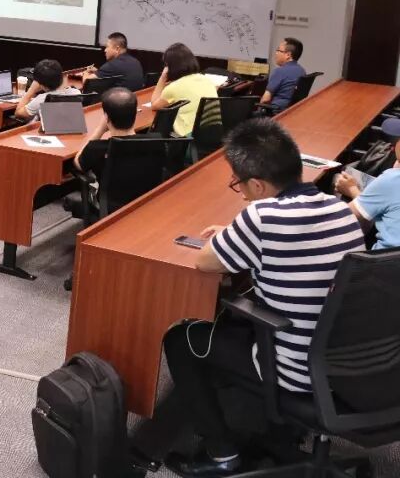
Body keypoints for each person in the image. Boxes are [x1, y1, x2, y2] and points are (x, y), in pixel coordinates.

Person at [159, 119, 362, 476]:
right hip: (350, 365)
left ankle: (221, 454)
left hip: (297, 372)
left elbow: (205, 261)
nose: (241, 193)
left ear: (257, 184)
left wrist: (238, 232)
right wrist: (238, 234)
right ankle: (280, 429)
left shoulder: (262, 215)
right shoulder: (340, 209)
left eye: (238, 184)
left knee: (182, 338)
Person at [335, 116, 400, 250]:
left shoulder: (392, 179)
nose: (392, 147)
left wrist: (352, 189)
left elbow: (344, 217)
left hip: (382, 261)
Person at [73, 87, 149, 179]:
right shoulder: (153, 143)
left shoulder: (96, 149)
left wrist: (99, 130)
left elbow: (78, 164)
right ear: (135, 113)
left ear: (107, 118)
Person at [150, 42, 218, 137]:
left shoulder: (173, 88)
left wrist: (162, 77)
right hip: (213, 134)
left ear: (170, 67)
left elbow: (154, 105)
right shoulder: (207, 80)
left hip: (188, 138)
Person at [14, 59, 81, 122]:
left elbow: (18, 113)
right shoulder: (76, 92)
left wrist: (31, 90)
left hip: (48, 130)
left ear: (41, 85)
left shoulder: (42, 99)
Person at [260, 37, 306, 111]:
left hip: (275, 112)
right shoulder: (302, 71)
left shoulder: (279, 71)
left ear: (288, 55)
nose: (276, 53)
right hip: (292, 111)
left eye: (278, 50)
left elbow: (265, 99)